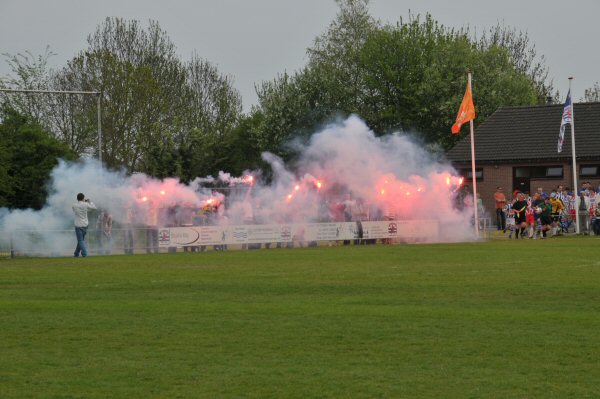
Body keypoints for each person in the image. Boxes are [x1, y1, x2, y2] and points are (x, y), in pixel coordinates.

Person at [72, 193, 97, 257]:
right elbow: (94, 208)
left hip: (78, 225)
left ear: (77, 198)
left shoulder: (74, 205)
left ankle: (84, 253)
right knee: (81, 240)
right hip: (85, 225)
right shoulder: (86, 204)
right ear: (83, 198)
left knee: (80, 240)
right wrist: (89, 202)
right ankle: (76, 253)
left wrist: (84, 202)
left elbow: (75, 211)